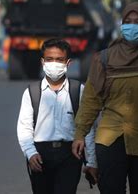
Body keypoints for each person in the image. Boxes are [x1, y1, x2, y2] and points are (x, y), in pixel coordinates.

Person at [72, 2, 138, 194]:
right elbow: (91, 100)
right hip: (109, 139)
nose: (132, 26)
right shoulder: (104, 59)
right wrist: (80, 133)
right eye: (127, 21)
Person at [17, 38, 98, 194]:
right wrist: (30, 153)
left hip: (70, 154)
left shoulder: (78, 90)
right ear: (42, 62)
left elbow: (87, 127)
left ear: (68, 63)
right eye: (49, 59)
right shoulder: (32, 92)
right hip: (40, 155)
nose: (54, 63)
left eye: (59, 60)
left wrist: (92, 161)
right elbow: (24, 127)